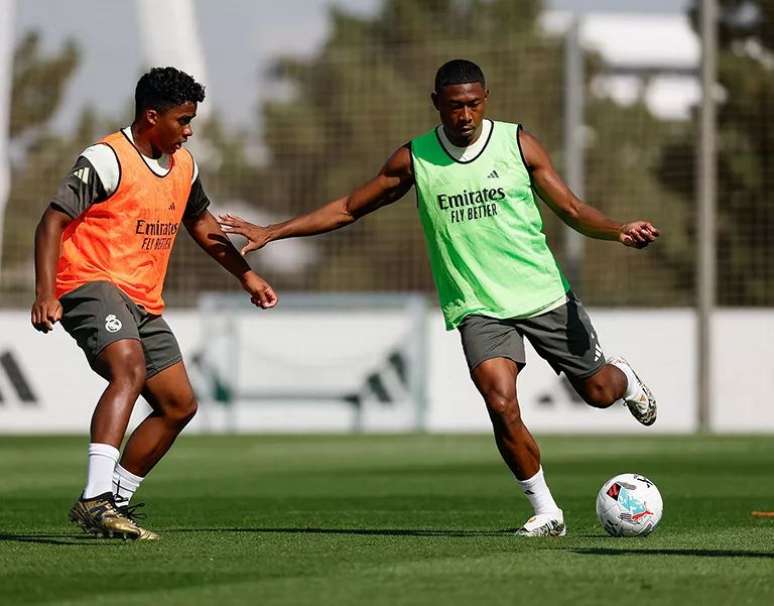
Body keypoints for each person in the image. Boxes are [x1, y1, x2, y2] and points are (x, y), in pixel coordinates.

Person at [219, 59, 659, 537]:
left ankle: (627, 379)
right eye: (454, 106)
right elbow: (349, 207)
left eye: (473, 104)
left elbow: (572, 209)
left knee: (598, 393)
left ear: (485, 98)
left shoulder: (517, 144)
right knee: (500, 401)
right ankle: (547, 511)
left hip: (542, 294)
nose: (465, 115)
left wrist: (618, 230)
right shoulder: (416, 158)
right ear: (437, 105)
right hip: (477, 306)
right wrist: (273, 231)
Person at [31, 66, 278, 541]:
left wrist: (247, 275)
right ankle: (95, 497)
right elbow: (51, 221)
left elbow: (202, 225)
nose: (188, 131)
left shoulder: (184, 166)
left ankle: (114, 502)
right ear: (151, 116)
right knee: (129, 367)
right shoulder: (107, 158)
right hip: (89, 282)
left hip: (143, 300)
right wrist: (45, 292)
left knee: (179, 405)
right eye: (183, 120)